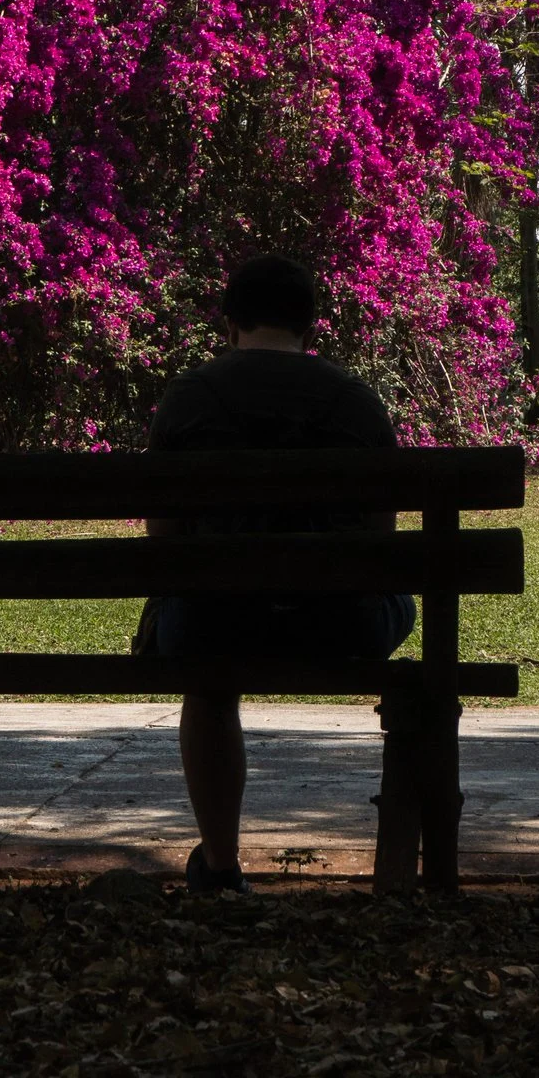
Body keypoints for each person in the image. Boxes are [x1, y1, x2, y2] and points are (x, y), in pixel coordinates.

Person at [137, 252, 416, 895]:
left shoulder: (188, 399)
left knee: (207, 671)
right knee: (397, 599)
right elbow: (382, 542)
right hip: (341, 626)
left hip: (213, 625)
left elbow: (163, 542)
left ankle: (222, 865)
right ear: (309, 328)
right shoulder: (355, 402)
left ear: (229, 323)